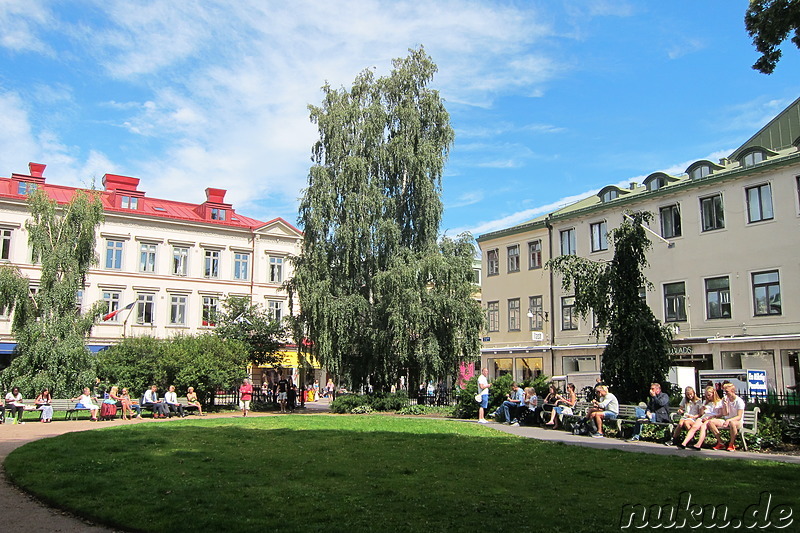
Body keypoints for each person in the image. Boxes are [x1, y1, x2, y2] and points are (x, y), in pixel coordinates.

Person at [707, 383, 745, 451]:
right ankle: (720, 442)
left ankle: (731, 444)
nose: (725, 393)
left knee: (732, 423)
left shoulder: (739, 401)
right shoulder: (725, 399)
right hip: (727, 420)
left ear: (732, 391)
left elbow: (739, 416)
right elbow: (725, 414)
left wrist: (729, 420)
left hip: (737, 422)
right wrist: (725, 405)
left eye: (727, 391)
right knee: (710, 422)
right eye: (725, 391)